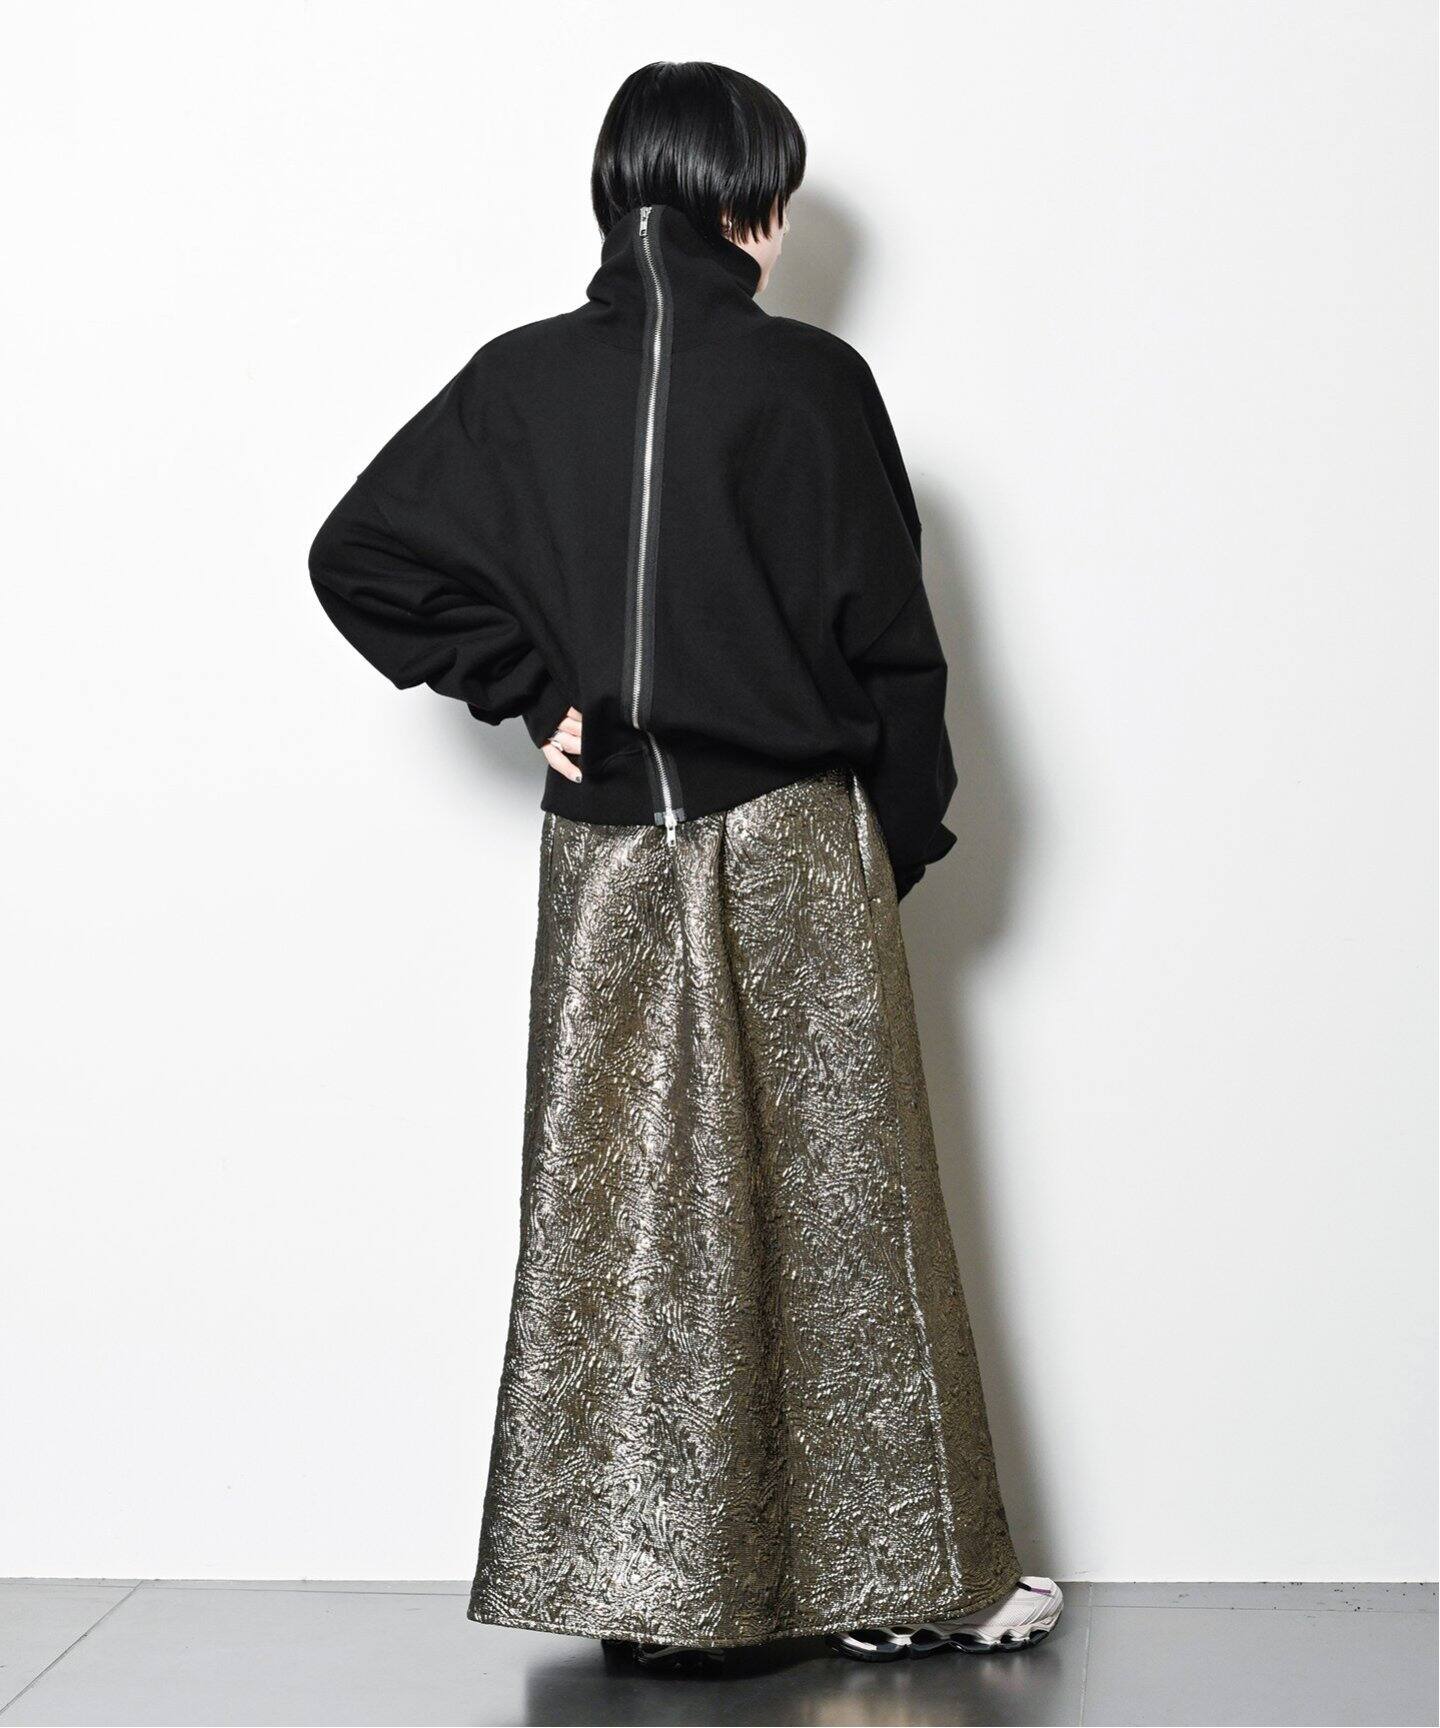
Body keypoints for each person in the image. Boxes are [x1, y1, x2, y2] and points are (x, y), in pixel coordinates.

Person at [309, 59, 1061, 1669]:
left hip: (610, 858)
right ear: (750, 204)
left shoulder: (518, 382)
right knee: (847, 1223)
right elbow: (896, 650)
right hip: (795, 842)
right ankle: (906, 1583)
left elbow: (356, 553)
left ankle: (641, 1594)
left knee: (629, 1231)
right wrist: (895, 840)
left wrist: (530, 690)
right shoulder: (813, 382)